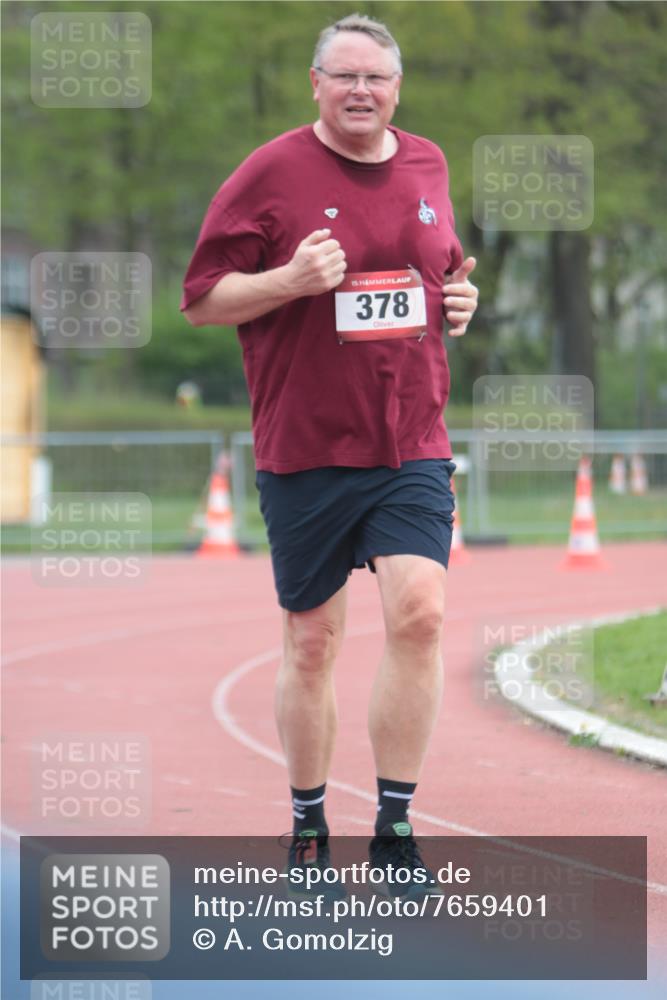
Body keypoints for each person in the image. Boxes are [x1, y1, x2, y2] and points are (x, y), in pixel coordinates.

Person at [182, 13, 478, 899]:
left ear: (397, 88)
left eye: (376, 79)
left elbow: (441, 271)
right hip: (306, 444)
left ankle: (393, 824)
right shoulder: (269, 173)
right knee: (311, 642)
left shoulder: (427, 163)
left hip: (410, 439)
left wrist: (457, 300)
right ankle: (309, 819)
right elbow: (203, 300)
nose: (361, 91)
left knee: (420, 613)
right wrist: (290, 282)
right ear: (315, 84)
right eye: (343, 76)